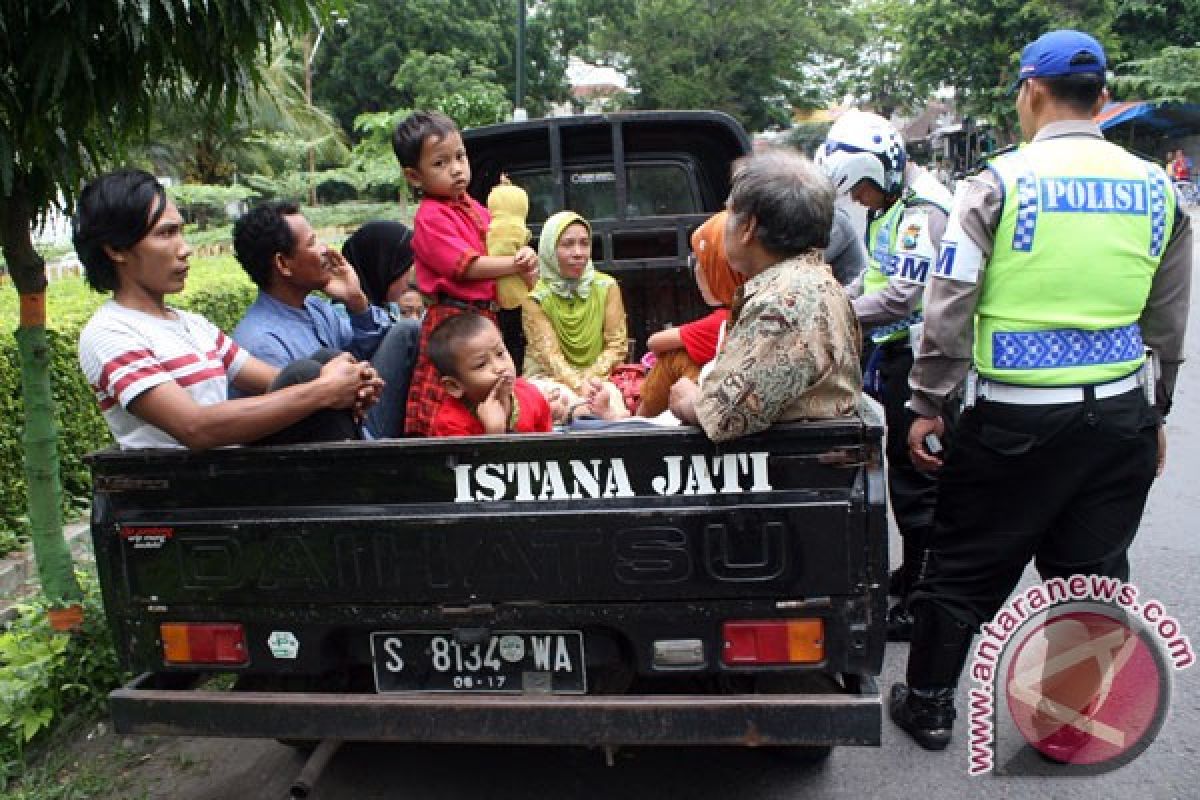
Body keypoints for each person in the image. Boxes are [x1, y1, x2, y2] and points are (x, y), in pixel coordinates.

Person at [890, 29, 1191, 755]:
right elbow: (1169, 319)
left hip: (1013, 422)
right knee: (1090, 574)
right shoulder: (1160, 189)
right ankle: (1066, 726)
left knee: (961, 570)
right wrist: (1156, 410)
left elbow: (949, 301)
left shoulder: (997, 183)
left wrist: (928, 401)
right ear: (1104, 99)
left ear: (1030, 92)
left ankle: (929, 705)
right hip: (1117, 414)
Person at [74, 170, 381, 450]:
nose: (184, 248)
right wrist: (323, 391)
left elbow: (283, 379)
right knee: (317, 377)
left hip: (232, 473)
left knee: (323, 364)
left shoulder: (191, 324)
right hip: (191, 491)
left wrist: (351, 383)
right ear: (116, 249)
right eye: (165, 234)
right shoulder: (109, 332)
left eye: (181, 232)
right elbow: (194, 427)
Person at [818, 110, 954, 641]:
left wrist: (835, 312)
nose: (859, 201)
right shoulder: (894, 207)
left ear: (885, 169)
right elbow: (875, 278)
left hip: (920, 360)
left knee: (917, 481)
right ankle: (913, 575)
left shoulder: (922, 213)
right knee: (901, 472)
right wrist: (833, 298)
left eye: (863, 189)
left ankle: (923, 601)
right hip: (894, 355)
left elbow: (902, 295)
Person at [669, 149, 862, 441]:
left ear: (749, 227)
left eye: (729, 211)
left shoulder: (782, 301)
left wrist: (685, 398)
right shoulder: (813, 278)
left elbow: (724, 417)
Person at [392, 110, 540, 436]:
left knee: (489, 391)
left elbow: (502, 248)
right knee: (445, 401)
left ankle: (492, 443)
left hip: (484, 318)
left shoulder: (476, 208)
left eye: (460, 156)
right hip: (452, 324)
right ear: (415, 177)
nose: (456, 169)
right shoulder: (430, 217)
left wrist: (524, 256)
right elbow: (467, 266)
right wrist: (515, 264)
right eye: (440, 163)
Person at [231, 203, 419, 439]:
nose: (325, 251)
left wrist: (356, 302)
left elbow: (376, 353)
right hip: (334, 444)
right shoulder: (262, 341)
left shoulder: (316, 308)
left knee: (406, 334)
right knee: (406, 332)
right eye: (311, 243)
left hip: (357, 420)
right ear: (282, 264)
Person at [637, 211, 744, 416]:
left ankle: (636, 420)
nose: (696, 270)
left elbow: (655, 342)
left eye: (703, 262)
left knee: (675, 357)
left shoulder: (726, 320)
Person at [521, 211, 629, 396]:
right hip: (549, 378)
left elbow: (616, 345)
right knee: (558, 402)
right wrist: (578, 386)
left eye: (584, 244)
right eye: (567, 244)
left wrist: (590, 380)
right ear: (549, 249)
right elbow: (550, 357)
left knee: (612, 400)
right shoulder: (536, 298)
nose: (578, 253)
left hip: (600, 378)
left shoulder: (607, 286)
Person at [426, 312, 552, 436]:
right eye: (481, 364)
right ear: (454, 386)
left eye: (500, 353)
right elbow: (465, 457)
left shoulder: (531, 395)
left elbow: (549, 451)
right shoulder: (450, 423)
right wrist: (494, 433)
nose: (500, 368)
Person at [339, 220, 417, 310]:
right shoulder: (342, 319)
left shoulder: (389, 311)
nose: (415, 282)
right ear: (381, 270)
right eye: (407, 269)